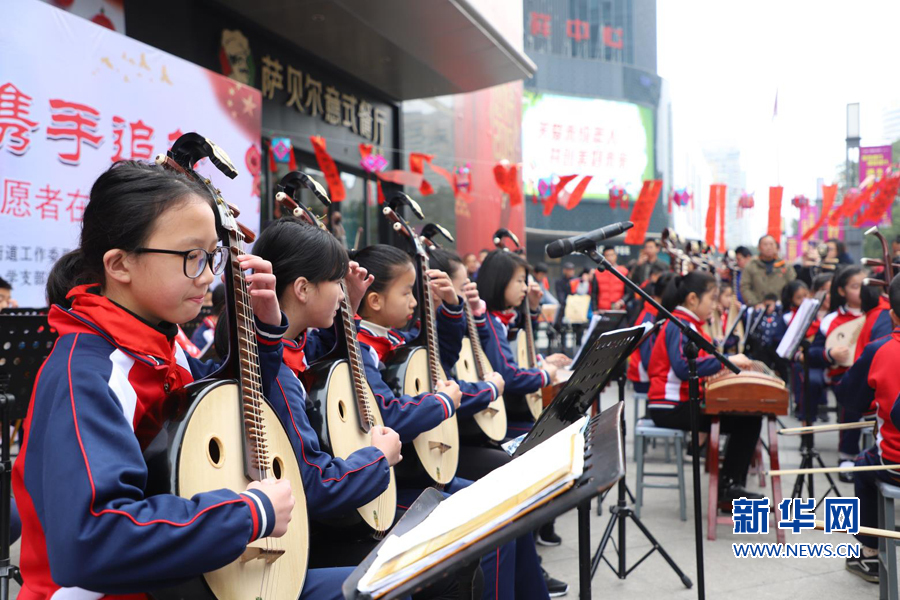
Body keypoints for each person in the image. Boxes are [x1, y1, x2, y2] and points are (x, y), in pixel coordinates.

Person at [12, 160, 304, 599]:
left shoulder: (163, 343)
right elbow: (92, 541)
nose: (207, 275)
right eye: (191, 257)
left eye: (212, 256)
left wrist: (262, 333)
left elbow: (218, 404)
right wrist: (250, 513)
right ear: (120, 265)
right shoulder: (88, 373)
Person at [353, 244, 559, 600]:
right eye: (406, 292)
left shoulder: (392, 340)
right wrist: (452, 398)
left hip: (427, 462)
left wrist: (451, 309)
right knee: (495, 525)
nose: (415, 300)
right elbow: (395, 412)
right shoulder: (363, 347)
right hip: (396, 483)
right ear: (373, 300)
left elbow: (439, 361)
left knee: (513, 505)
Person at [647, 271, 761, 501]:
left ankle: (730, 485)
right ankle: (729, 488)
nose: (715, 305)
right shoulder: (679, 324)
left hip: (678, 403)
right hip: (670, 406)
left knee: (746, 416)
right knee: (748, 419)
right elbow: (682, 367)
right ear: (692, 299)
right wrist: (725, 362)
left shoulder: (688, 324)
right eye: (712, 298)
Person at [835, 274, 900, 583]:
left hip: (894, 464)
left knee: (863, 466)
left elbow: (851, 399)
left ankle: (871, 555)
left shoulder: (880, 350)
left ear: (892, 314)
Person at [809, 265, 865, 479]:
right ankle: (847, 455)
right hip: (843, 376)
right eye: (855, 286)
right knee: (853, 394)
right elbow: (814, 353)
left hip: (875, 375)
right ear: (841, 291)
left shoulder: (880, 314)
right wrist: (830, 354)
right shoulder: (831, 320)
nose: (861, 290)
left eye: (865, 285)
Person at [740, 235, 796, 307]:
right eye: (765, 244)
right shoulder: (751, 266)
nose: (769, 247)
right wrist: (755, 303)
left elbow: (793, 285)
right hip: (758, 307)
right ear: (759, 248)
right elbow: (745, 287)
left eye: (772, 244)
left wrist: (785, 302)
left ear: (776, 247)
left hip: (782, 306)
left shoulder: (785, 265)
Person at [591, 246, 628, 311]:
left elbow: (629, 292)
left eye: (612, 255)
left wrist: (622, 302)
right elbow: (594, 293)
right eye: (607, 255)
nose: (610, 258)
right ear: (603, 258)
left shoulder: (624, 271)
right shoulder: (597, 272)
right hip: (602, 310)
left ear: (616, 256)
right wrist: (595, 310)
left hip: (619, 310)